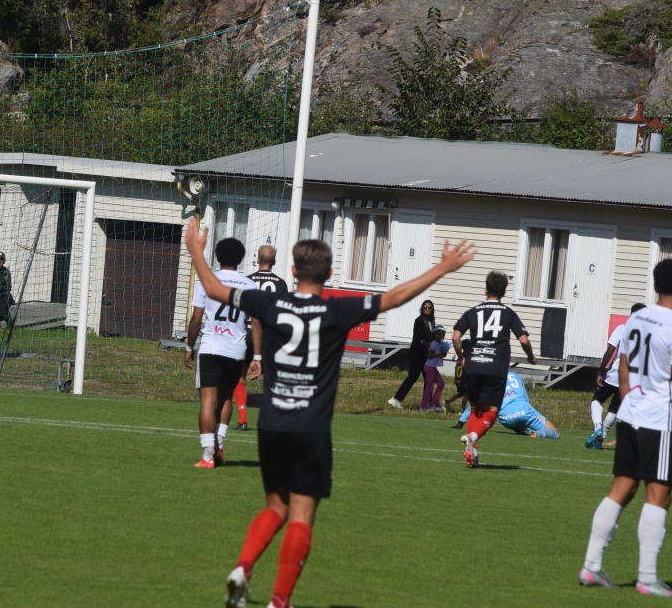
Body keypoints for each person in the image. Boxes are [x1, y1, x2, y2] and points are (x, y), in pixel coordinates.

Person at [183, 217, 474, 608]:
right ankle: (279, 601)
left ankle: (243, 567)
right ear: (330, 273)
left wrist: (197, 252)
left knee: (275, 507)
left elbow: (215, 288)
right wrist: (441, 268)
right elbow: (393, 297)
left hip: (272, 423)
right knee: (301, 516)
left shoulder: (269, 302)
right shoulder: (336, 310)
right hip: (311, 428)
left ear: (292, 270)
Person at [579, 258, 672, 598]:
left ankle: (591, 566)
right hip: (656, 421)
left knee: (622, 488)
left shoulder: (636, 318)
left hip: (630, 415)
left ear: (655, 285)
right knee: (659, 495)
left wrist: (629, 401)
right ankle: (647, 579)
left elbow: (623, 367)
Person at [183, 237, 259, 468]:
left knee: (208, 400)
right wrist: (257, 357)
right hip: (236, 349)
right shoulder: (250, 285)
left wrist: (189, 346)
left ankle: (208, 455)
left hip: (211, 347)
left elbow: (196, 319)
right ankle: (219, 446)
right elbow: (257, 323)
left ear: (217, 256)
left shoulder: (207, 281)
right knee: (226, 398)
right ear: (241, 259)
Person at [452, 271, 537, 467]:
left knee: (476, 409)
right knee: (492, 410)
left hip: (474, 365)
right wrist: (530, 357)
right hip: (496, 366)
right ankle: (473, 437)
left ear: (486, 290)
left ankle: (472, 452)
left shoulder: (473, 312)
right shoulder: (508, 313)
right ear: (504, 292)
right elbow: (524, 340)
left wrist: (462, 358)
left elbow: (456, 337)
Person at [234, 245, 288, 430]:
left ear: (257, 260)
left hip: (247, 334)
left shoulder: (246, 281)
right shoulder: (281, 284)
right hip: (269, 337)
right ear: (274, 262)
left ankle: (242, 420)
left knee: (240, 377)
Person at [586, 303, 647, 450]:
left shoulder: (622, 329)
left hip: (615, 374)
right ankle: (601, 439)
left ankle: (598, 428)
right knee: (614, 408)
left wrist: (600, 372)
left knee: (597, 400)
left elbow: (609, 352)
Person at [457, 371, 559, 438]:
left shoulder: (490, 380)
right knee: (554, 432)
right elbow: (525, 397)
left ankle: (525, 431)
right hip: (523, 409)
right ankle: (537, 434)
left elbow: (475, 403)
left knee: (517, 426)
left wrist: (461, 421)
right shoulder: (514, 375)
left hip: (506, 417)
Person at [388, 299, 436, 409]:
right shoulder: (419, 321)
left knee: (429, 379)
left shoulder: (432, 321)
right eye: (425, 307)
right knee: (413, 377)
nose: (427, 309)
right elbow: (417, 336)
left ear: (432, 309)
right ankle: (396, 399)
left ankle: (425, 403)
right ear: (422, 309)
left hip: (427, 355)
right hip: (417, 354)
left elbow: (433, 336)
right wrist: (424, 342)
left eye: (429, 307)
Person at [420, 325, 449, 412]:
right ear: (434, 335)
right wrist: (440, 353)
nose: (439, 336)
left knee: (441, 384)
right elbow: (429, 355)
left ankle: (434, 403)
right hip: (429, 367)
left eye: (441, 334)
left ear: (443, 335)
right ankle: (424, 406)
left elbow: (444, 355)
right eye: (437, 334)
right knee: (429, 386)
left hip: (433, 367)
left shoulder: (441, 344)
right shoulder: (434, 343)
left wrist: (445, 350)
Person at [446, 338, 471, 425]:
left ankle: (448, 402)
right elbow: (467, 369)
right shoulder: (468, 356)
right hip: (464, 379)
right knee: (466, 394)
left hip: (459, 379)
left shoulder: (461, 356)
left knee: (460, 393)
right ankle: (462, 409)